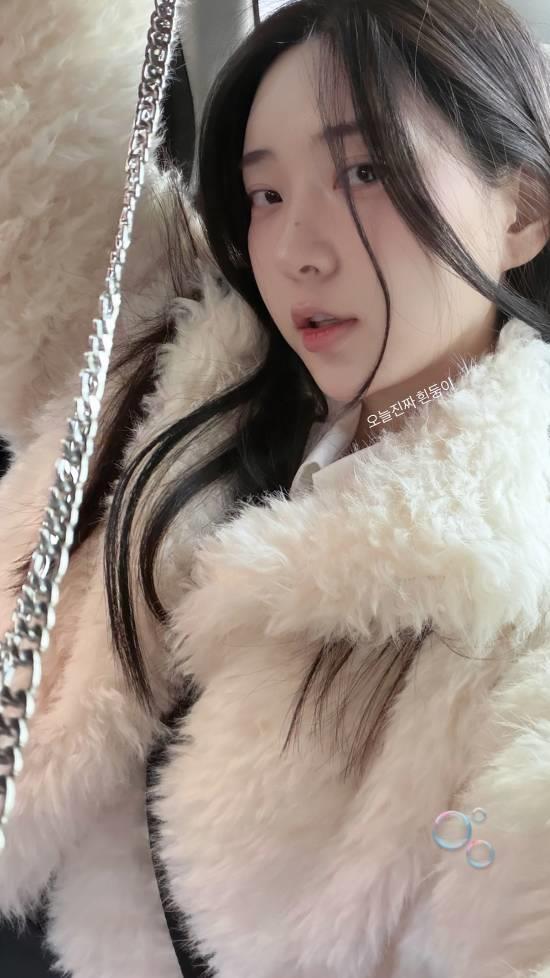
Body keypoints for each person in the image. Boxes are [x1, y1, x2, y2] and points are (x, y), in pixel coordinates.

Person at [1, 0, 550, 976]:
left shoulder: (517, 591)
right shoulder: (175, 356)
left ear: (523, 211)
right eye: (263, 194)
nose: (296, 248)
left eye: (364, 171)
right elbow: (25, 120)